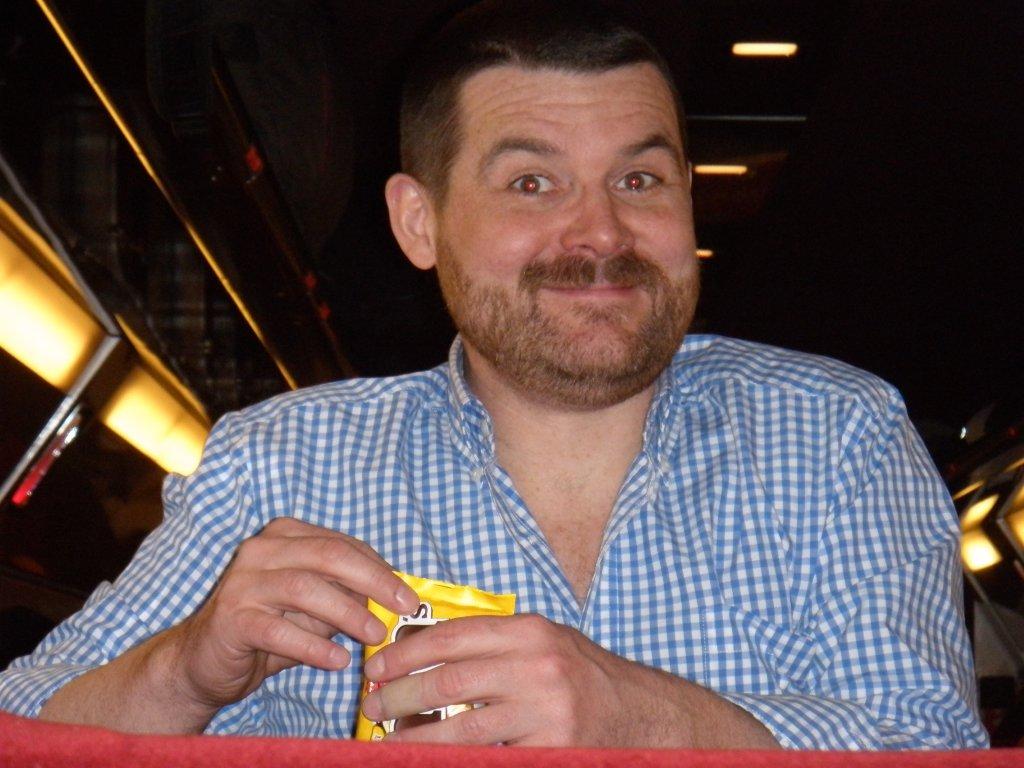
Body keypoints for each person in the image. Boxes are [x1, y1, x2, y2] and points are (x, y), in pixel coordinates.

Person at [0, 0, 988, 749]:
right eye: (531, 182)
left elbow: (931, 739)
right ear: (417, 222)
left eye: (639, 179)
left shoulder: (841, 436)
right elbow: (23, 724)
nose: (600, 232)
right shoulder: (280, 466)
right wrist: (184, 670)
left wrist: (640, 718)